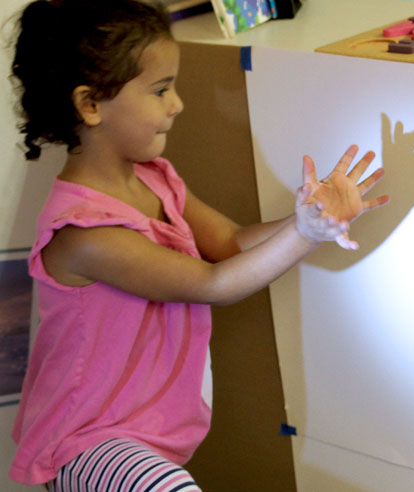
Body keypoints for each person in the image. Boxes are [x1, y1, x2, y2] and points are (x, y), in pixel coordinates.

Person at [8, 0, 389, 490]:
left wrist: (313, 215)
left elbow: (230, 244)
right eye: (161, 90)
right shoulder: (84, 234)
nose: (177, 104)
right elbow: (214, 283)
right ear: (89, 104)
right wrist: (305, 234)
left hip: (150, 435)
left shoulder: (155, 180)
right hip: (87, 443)